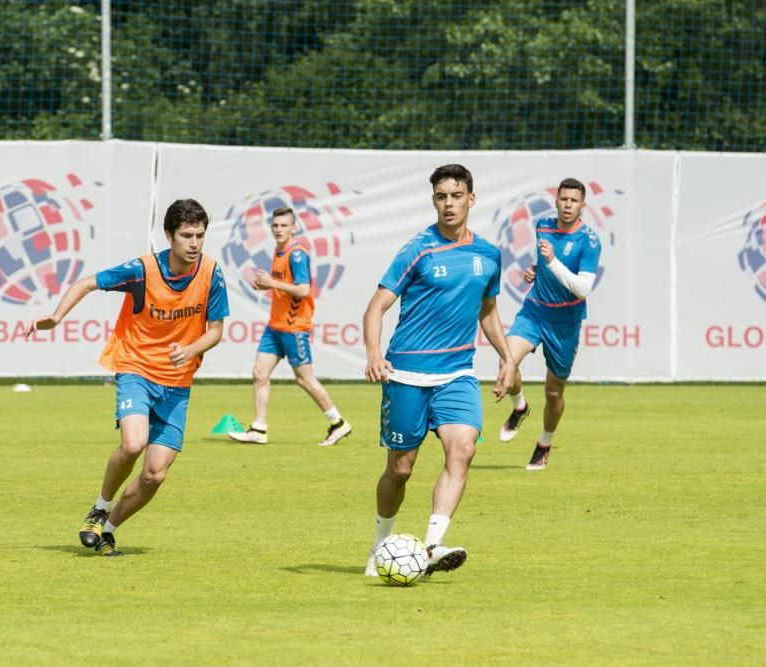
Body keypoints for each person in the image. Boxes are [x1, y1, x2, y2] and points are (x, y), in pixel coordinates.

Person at [26, 199, 229, 557]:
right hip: (136, 368)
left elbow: (215, 331)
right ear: (169, 235)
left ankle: (107, 529)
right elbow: (87, 283)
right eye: (186, 235)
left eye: (200, 235)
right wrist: (56, 318)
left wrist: (192, 348)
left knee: (155, 475)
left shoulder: (212, 273)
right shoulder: (142, 270)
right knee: (134, 443)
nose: (195, 243)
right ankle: (99, 506)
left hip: (178, 383)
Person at [362, 164, 515, 577]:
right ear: (434, 200)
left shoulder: (488, 254)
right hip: (408, 374)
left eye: (456, 195)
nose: (449, 204)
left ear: (471, 199)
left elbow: (488, 311)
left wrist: (507, 357)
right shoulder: (418, 250)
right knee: (401, 468)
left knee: (463, 449)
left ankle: (431, 545)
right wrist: (375, 354)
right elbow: (376, 306)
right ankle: (380, 545)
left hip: (457, 374)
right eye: (441, 197)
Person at [498, 178, 602, 470]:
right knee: (506, 361)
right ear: (556, 201)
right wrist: (536, 269)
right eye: (563, 199)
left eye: (574, 201)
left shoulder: (590, 241)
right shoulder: (543, 224)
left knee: (554, 392)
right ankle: (520, 406)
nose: (568, 205)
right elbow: (544, 261)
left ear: (583, 206)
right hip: (534, 312)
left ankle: (544, 443)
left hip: (565, 323)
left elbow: (582, 288)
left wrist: (552, 263)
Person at [228, 207, 352, 447]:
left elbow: (304, 290)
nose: (278, 230)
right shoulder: (278, 249)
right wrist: (267, 286)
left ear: (294, 227)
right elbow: (285, 286)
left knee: (305, 380)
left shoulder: (296, 254)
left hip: (294, 327)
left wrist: (272, 282)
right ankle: (259, 428)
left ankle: (338, 423)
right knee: (259, 374)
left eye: (284, 225)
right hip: (275, 326)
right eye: (275, 226)